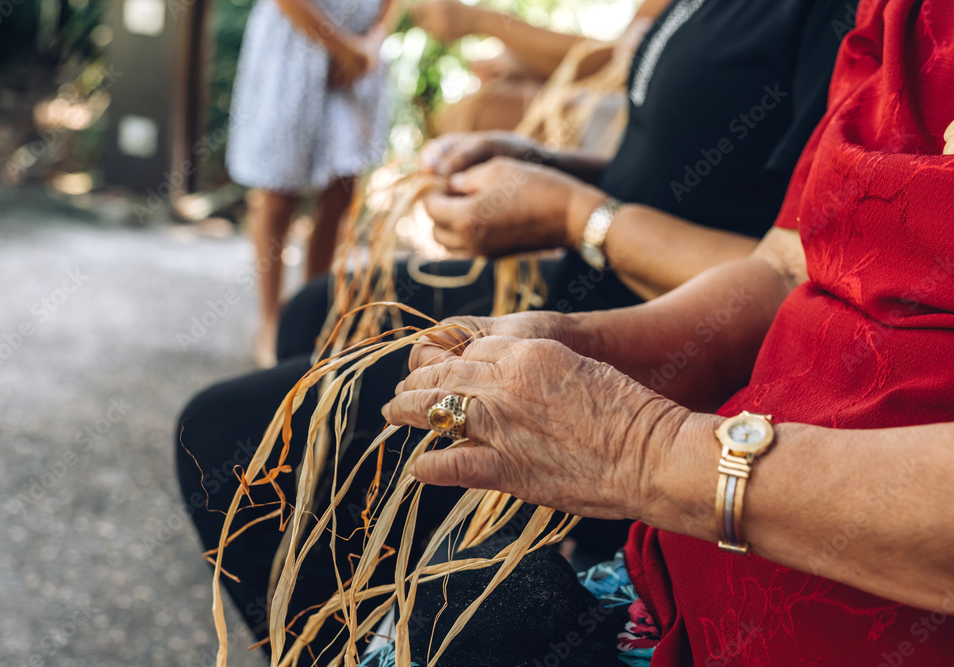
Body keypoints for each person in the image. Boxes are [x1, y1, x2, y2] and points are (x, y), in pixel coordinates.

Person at [176, 0, 857, 654]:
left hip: (664, 331)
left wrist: (577, 218)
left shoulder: (843, 20)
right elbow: (664, 169)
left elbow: (795, 273)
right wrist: (542, 168)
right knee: (316, 312)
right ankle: (384, 621)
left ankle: (392, 624)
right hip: (590, 278)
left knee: (225, 433)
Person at [375, 0, 954, 663]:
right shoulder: (896, 14)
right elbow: (785, 268)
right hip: (677, 590)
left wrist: (648, 452)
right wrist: (577, 342)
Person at [225, 0, 398, 367]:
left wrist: (369, 46)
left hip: (359, 56)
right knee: (278, 194)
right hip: (296, 47)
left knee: (342, 189)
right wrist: (342, 47)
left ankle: (311, 314)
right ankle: (270, 322)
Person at [409, 0, 670, 134]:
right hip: (640, 107)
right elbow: (620, 60)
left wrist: (478, 20)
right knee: (474, 107)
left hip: (655, 124)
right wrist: (522, 63)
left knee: (478, 115)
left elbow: (613, 65)